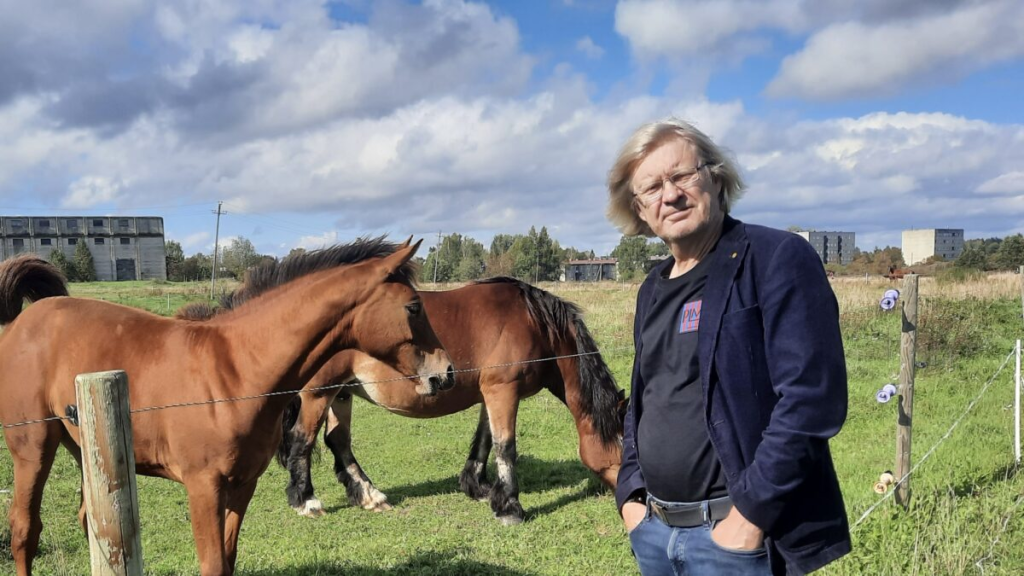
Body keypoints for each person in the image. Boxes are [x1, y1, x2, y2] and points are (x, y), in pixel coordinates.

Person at [607, 119, 850, 575]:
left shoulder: (775, 258)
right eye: (652, 188)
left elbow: (812, 400)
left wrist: (748, 518)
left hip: (735, 539)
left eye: (682, 176)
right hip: (655, 530)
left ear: (715, 178)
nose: (671, 195)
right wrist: (631, 496)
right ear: (639, 210)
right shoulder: (652, 289)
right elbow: (646, 400)